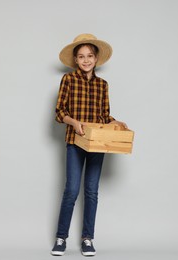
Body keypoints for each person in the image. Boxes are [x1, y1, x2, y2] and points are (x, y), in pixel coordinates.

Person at [51, 33, 126, 257]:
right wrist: (74, 123)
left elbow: (104, 115)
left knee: (91, 192)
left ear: (96, 59)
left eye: (90, 56)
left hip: (97, 144)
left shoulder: (103, 85)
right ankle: (61, 237)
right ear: (75, 60)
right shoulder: (68, 80)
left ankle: (87, 238)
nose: (86, 60)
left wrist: (115, 122)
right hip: (75, 142)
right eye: (81, 56)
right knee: (71, 191)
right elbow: (59, 112)